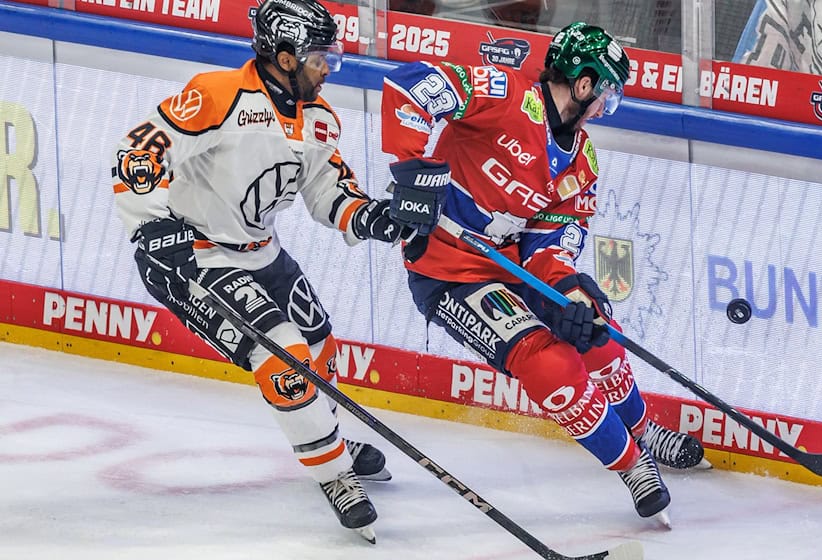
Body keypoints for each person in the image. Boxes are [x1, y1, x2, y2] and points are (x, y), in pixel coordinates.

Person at [380, 21, 706, 525]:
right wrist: (411, 172)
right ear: (582, 83)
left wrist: (567, 290)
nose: (605, 108)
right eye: (606, 95)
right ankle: (631, 464)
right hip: (448, 272)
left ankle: (641, 430)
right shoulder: (503, 94)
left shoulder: (582, 159)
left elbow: (552, 244)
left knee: (596, 328)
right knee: (550, 366)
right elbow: (410, 86)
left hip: (512, 266)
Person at [111, 0, 407, 544]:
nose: (329, 68)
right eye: (321, 58)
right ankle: (335, 474)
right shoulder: (217, 93)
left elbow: (327, 193)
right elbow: (138, 154)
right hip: (195, 256)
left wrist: (369, 216)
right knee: (285, 361)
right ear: (286, 56)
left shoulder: (319, 117)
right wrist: (150, 228)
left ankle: (328, 438)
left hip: (263, 252)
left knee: (319, 349)